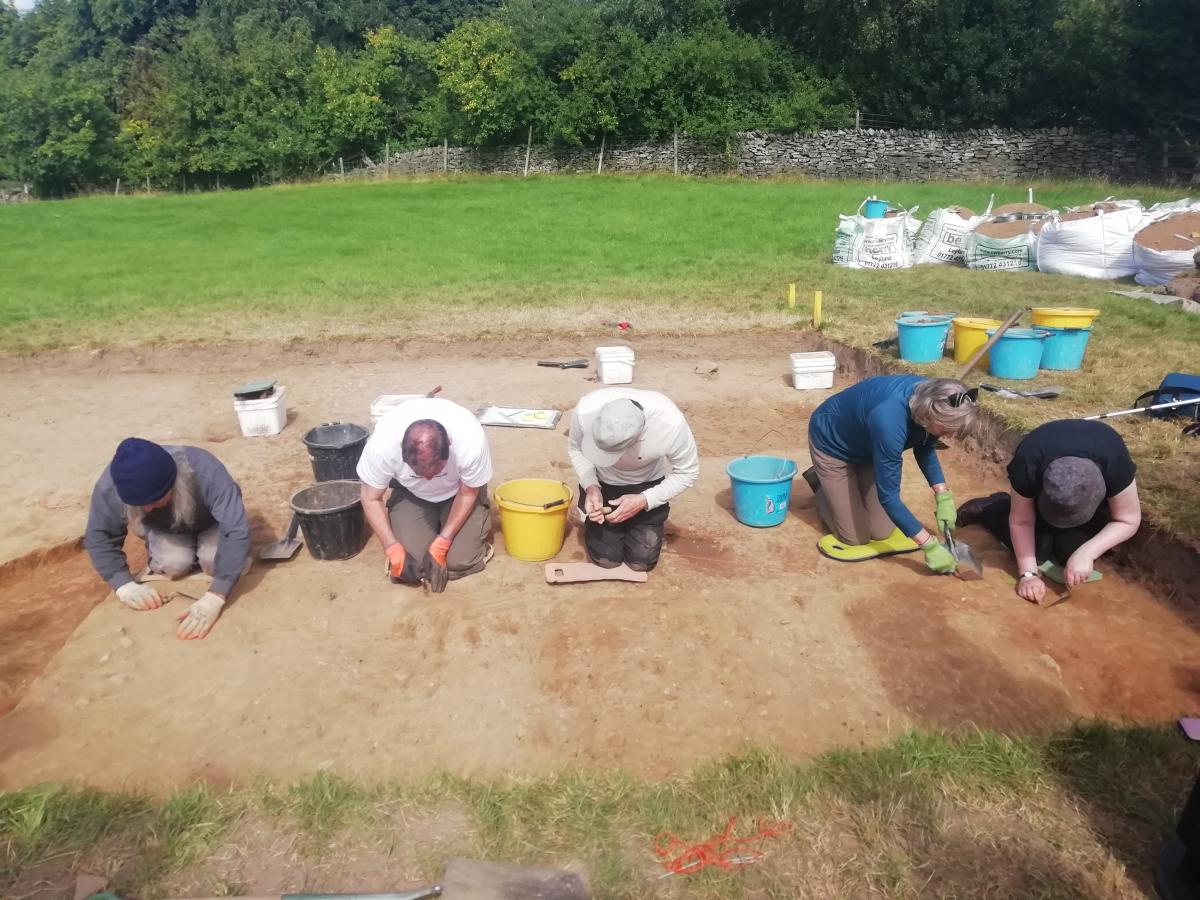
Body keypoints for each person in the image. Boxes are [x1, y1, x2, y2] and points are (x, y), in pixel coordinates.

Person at [958, 419, 1141, 604]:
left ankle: (1067, 539)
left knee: (1070, 554)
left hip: (1092, 504)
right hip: (1040, 500)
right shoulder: (1028, 462)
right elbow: (1022, 521)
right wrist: (1027, 574)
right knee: (1038, 550)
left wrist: (1087, 552)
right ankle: (993, 507)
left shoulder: (1115, 462)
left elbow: (1128, 519)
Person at [84, 438, 251, 640]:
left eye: (155, 500)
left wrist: (216, 595)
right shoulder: (111, 485)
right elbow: (99, 534)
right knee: (174, 564)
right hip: (163, 527)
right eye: (140, 504)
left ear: (175, 482)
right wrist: (122, 584)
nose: (146, 508)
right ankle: (170, 547)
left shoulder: (207, 472)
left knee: (213, 561)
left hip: (210, 522)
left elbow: (235, 529)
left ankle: (204, 553)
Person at [806, 375, 977, 571]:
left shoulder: (938, 396)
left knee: (881, 531)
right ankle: (821, 483)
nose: (949, 436)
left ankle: (844, 490)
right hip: (833, 445)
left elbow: (925, 446)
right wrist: (928, 544)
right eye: (946, 430)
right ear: (927, 414)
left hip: (870, 448)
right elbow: (889, 497)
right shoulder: (889, 419)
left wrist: (942, 494)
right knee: (855, 537)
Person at [357, 397, 493, 593]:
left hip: (460, 492)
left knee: (460, 561)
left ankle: (463, 539)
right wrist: (392, 548)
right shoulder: (382, 446)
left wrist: (443, 541)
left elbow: (468, 492)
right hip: (411, 493)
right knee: (415, 563)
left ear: (450, 443)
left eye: (437, 469)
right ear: (401, 450)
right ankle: (427, 528)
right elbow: (370, 498)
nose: (429, 478)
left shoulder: (469, 440)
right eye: (419, 471)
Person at [567, 387, 699, 572]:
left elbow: (688, 472)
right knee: (607, 560)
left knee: (641, 562)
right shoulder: (585, 411)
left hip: (647, 486)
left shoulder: (670, 424)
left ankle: (644, 520)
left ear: (638, 438)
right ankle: (587, 514)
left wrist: (644, 500)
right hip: (602, 483)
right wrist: (591, 486)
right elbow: (575, 449)